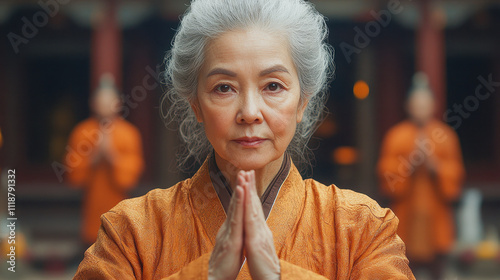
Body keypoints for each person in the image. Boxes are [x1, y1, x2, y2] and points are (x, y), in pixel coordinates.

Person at [74, 0, 415, 279]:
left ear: (303, 102)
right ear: (195, 105)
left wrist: (280, 276)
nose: (249, 112)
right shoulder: (131, 232)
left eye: (273, 86)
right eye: (224, 88)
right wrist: (204, 276)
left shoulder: (363, 228)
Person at [377, 73, 465, 279]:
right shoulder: (396, 136)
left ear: (433, 106)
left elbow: (456, 172)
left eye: (425, 104)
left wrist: (435, 167)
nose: (421, 109)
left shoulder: (445, 136)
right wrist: (409, 164)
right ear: (408, 106)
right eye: (417, 104)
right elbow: (386, 174)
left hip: (437, 216)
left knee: (438, 270)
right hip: (407, 215)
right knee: (404, 270)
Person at [65, 75, 144, 247]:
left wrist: (111, 157)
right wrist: (93, 159)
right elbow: (73, 174)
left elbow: (131, 177)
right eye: (101, 100)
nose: (105, 105)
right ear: (93, 103)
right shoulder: (82, 132)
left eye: (110, 101)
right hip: (92, 207)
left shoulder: (129, 133)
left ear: (118, 104)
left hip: (119, 206)